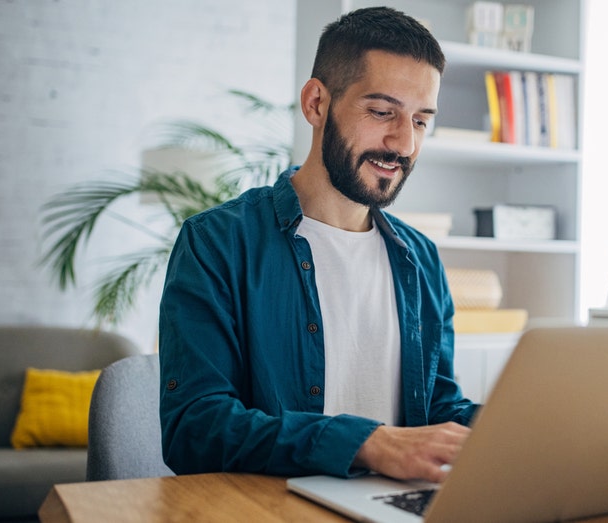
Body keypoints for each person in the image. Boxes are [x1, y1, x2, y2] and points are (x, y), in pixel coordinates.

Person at [158, 6, 479, 484]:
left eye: (420, 121)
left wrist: (522, 428)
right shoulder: (216, 243)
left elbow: (437, 405)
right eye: (382, 112)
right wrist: (368, 444)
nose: (404, 144)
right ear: (316, 104)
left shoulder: (421, 259)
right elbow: (194, 428)